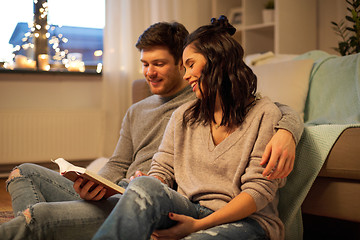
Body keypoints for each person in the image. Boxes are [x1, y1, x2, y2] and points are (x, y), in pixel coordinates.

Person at [0, 20, 302, 240]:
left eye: (163, 63)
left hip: (197, 210)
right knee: (25, 172)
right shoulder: (169, 113)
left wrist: (288, 128)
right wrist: (99, 186)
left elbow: (274, 111)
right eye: (145, 63)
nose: (150, 72)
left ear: (216, 62)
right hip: (140, 194)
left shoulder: (257, 111)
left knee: (42, 220)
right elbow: (141, 166)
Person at [92, 16, 292, 240]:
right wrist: (151, 183)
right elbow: (162, 168)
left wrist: (198, 225)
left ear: (217, 60)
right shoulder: (184, 116)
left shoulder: (264, 114)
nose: (186, 75)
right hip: (188, 209)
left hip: (247, 221)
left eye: (190, 64)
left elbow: (258, 192)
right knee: (144, 184)